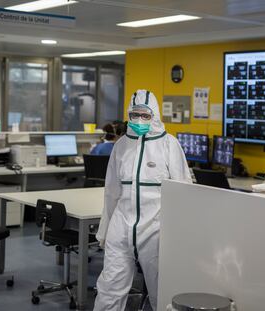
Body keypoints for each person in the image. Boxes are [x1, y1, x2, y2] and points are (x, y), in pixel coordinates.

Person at [94, 90, 192, 311]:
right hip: (121, 227)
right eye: (135, 115)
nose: (139, 120)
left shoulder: (169, 144)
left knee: (162, 290)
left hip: (156, 229)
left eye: (145, 115)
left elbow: (183, 193)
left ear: (155, 115)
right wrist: (105, 230)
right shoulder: (121, 146)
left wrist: (180, 236)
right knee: (109, 287)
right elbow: (111, 192)